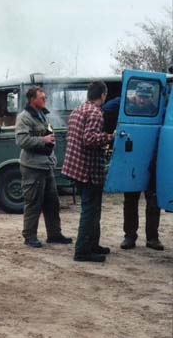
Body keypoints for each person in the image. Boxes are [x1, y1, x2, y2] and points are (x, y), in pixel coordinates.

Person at [62, 81, 114, 262]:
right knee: (90, 210)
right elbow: (89, 139)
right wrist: (110, 137)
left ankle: (93, 244)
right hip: (89, 170)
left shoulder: (78, 110)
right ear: (102, 95)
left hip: (76, 167)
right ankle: (82, 251)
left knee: (93, 209)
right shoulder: (96, 113)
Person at [15, 86, 71, 248]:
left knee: (52, 203)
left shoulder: (41, 115)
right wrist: (44, 141)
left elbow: (47, 134)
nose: (45, 100)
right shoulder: (24, 117)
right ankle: (29, 236)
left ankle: (54, 234)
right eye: (42, 98)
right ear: (33, 100)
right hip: (32, 166)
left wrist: (48, 141)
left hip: (46, 165)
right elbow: (22, 141)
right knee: (33, 202)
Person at [115, 83, 163, 251]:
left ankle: (152, 238)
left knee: (153, 201)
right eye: (140, 96)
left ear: (151, 97)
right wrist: (124, 99)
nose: (142, 100)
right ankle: (129, 236)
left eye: (145, 97)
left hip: (152, 161)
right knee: (130, 200)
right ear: (135, 95)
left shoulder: (158, 110)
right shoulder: (126, 105)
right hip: (133, 161)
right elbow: (107, 107)